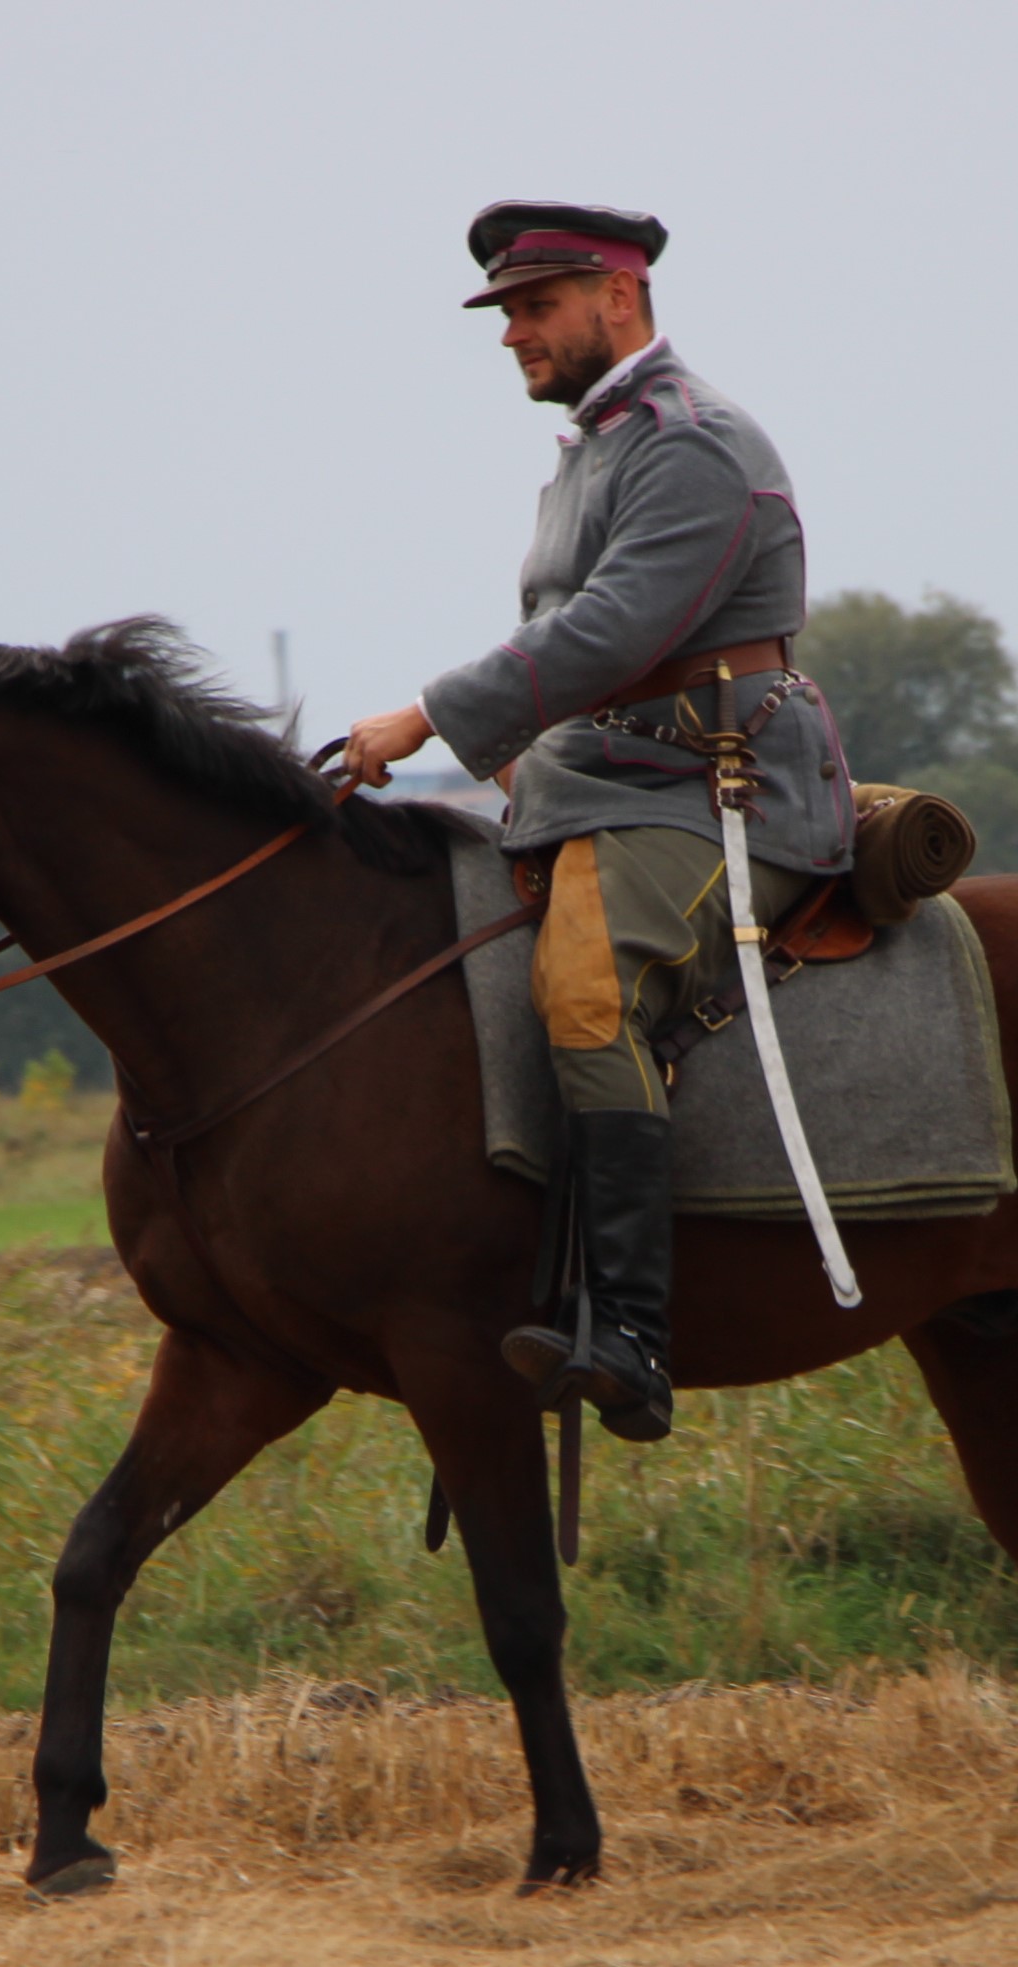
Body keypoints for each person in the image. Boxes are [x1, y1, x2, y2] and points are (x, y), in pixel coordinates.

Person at [345, 201, 854, 1444]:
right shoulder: (598, 445)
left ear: (615, 298)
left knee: (583, 989)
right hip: (604, 779)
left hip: (710, 788)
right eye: (508, 313)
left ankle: (627, 1330)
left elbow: (609, 632)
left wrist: (428, 717)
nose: (512, 334)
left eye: (533, 308)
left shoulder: (688, 443)